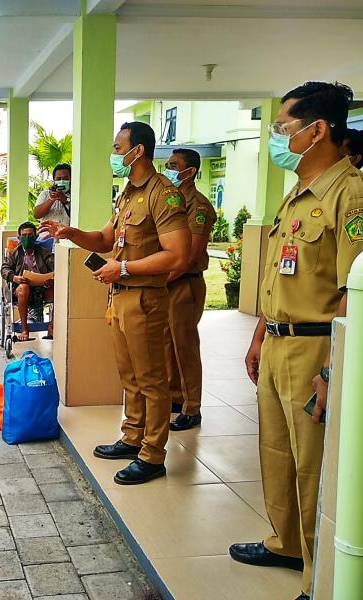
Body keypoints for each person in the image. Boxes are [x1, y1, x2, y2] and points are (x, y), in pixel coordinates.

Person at [229, 81, 361, 600]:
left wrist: (333, 369)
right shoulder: (299, 191)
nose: (278, 137)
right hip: (280, 341)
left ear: (318, 129)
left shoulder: (348, 193)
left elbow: (355, 290)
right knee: (277, 453)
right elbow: (277, 279)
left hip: (316, 347)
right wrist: (260, 334)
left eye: (284, 127)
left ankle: (316, 574)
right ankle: (285, 542)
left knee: (312, 466)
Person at [44, 122, 190, 485]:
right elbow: (107, 238)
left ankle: (153, 454)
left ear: (137, 151)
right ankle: (132, 436)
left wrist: (122, 267)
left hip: (146, 298)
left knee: (153, 380)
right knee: (130, 376)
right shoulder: (127, 194)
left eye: (117, 145)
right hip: (120, 296)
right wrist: (72, 233)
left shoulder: (164, 193)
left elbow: (178, 255)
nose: (113, 152)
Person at [162, 149, 217, 431]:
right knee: (168, 344)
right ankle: (174, 398)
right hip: (168, 281)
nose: (168, 169)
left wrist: (158, 279)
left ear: (191, 171)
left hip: (185, 282)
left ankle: (192, 407)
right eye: (167, 164)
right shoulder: (170, 201)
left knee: (184, 346)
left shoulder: (199, 206)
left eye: (174, 165)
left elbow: (189, 256)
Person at [0, 221, 54, 341]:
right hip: (22, 288)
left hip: (42, 288)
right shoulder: (15, 253)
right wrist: (14, 278)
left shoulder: (43, 252)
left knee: (59, 288)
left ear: (35, 237)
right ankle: (25, 329)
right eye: (24, 235)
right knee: (24, 288)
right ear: (19, 238)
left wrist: (50, 279)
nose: (27, 238)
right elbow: (4, 269)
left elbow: (54, 267)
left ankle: (52, 327)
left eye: (30, 235)